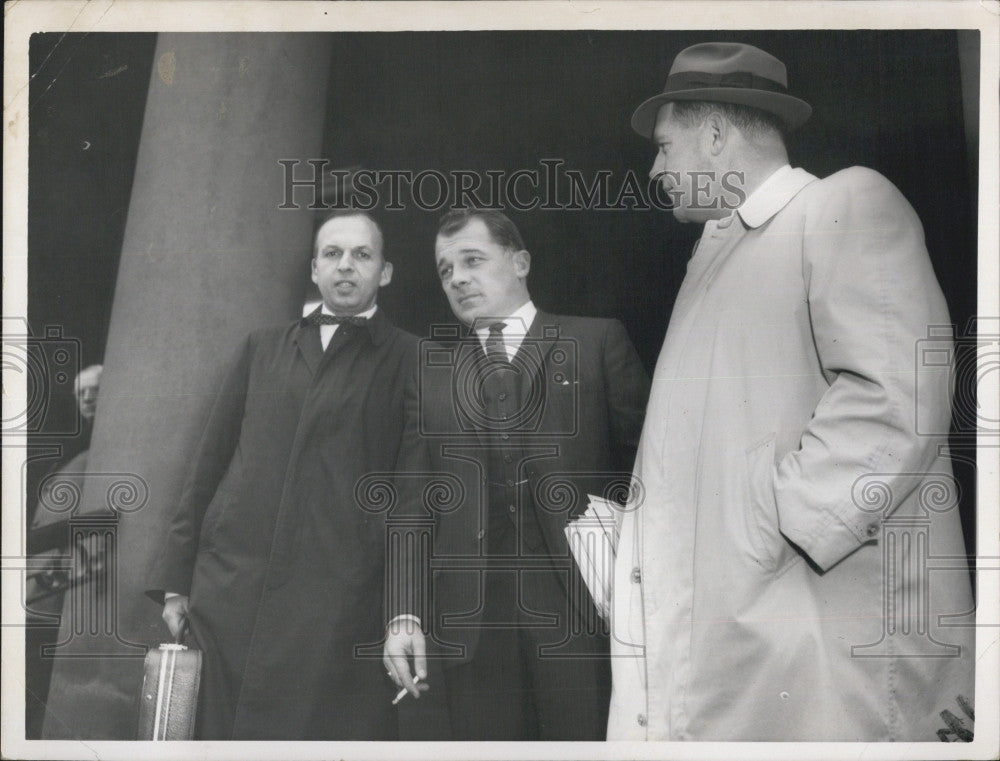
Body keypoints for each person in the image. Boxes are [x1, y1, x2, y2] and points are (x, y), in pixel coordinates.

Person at [609, 42, 975, 740]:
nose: (654, 169)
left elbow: (898, 395)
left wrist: (769, 530)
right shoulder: (714, 257)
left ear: (715, 137)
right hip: (736, 630)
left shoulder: (844, 202)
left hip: (813, 629)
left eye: (663, 147)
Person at [147, 210, 417, 739]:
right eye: (333, 254)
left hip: (336, 602)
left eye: (363, 255)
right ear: (314, 269)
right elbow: (209, 464)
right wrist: (175, 581)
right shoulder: (262, 346)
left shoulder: (411, 358)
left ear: (385, 272)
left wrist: (402, 611)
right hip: (230, 592)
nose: (346, 266)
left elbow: (411, 494)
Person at [383, 209, 650, 740]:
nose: (457, 278)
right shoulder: (431, 374)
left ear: (520, 261)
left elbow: (651, 472)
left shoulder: (597, 342)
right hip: (473, 626)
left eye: (472, 260)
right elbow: (412, 504)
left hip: (583, 614)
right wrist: (403, 616)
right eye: (444, 270)